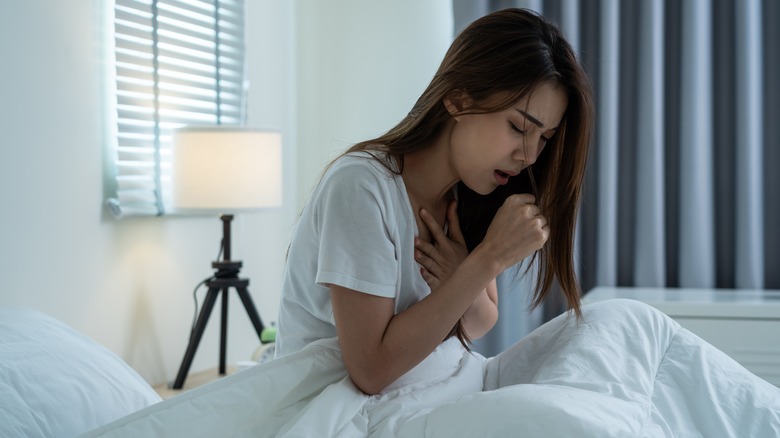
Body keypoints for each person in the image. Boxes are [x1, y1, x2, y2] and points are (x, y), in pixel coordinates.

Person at [274, 8, 779, 436]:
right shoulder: (361, 187)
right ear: (458, 98)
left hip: (458, 378)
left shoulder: (467, 190)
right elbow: (371, 370)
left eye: (544, 139)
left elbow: (479, 319)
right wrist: (483, 260)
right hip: (366, 410)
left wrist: (463, 273)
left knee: (632, 323)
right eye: (519, 127)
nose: (528, 155)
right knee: (580, 418)